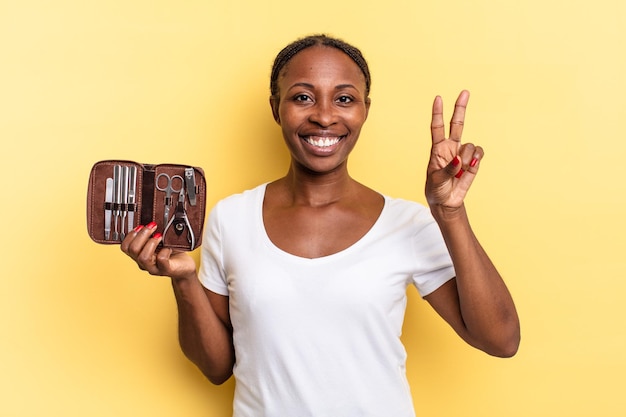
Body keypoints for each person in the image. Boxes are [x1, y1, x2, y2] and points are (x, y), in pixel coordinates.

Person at [121, 34, 520, 417]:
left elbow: (500, 340)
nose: (325, 115)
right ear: (276, 108)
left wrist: (450, 214)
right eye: (303, 97)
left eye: (344, 98)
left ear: (365, 109)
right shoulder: (232, 218)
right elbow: (216, 368)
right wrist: (184, 279)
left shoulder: (406, 223)